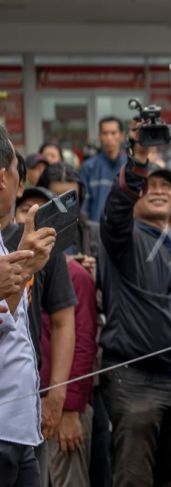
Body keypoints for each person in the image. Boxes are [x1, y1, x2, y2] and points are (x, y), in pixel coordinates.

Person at [98, 120, 171, 487]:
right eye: (150, 184)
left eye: (167, 185)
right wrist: (138, 160)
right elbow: (117, 210)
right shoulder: (123, 236)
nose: (159, 190)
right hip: (134, 381)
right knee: (133, 479)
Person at [15, 190, 98, 487]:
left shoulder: (62, 264)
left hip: (44, 400)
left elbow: (77, 331)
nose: (31, 218)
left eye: (38, 212)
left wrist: (65, 401)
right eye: (25, 209)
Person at [0, 124, 56, 487]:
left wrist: (24, 270)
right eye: (19, 173)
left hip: (18, 429)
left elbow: (6, 322)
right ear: (3, 178)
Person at [80, 116, 127, 222]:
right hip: (96, 230)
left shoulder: (129, 166)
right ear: (99, 136)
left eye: (113, 133)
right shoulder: (89, 167)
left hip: (125, 229)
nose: (109, 137)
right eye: (105, 133)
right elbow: (84, 206)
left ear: (121, 136)